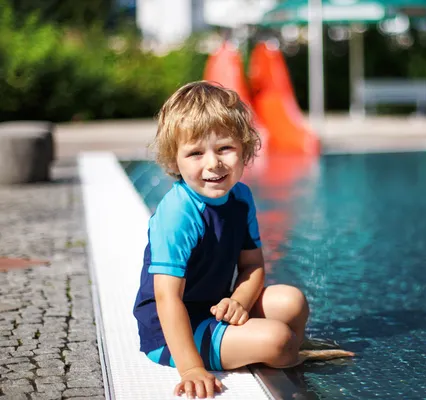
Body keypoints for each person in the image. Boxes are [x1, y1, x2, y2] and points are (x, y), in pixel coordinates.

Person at [133, 81, 353, 399]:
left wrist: (240, 301)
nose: (213, 164)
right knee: (277, 339)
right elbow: (168, 299)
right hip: (170, 331)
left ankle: (287, 347)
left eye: (224, 148)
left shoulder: (240, 197)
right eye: (195, 153)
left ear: (244, 147)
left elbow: (252, 265)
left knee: (293, 301)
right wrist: (192, 369)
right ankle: (290, 352)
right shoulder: (178, 214)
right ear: (174, 160)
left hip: (215, 307)